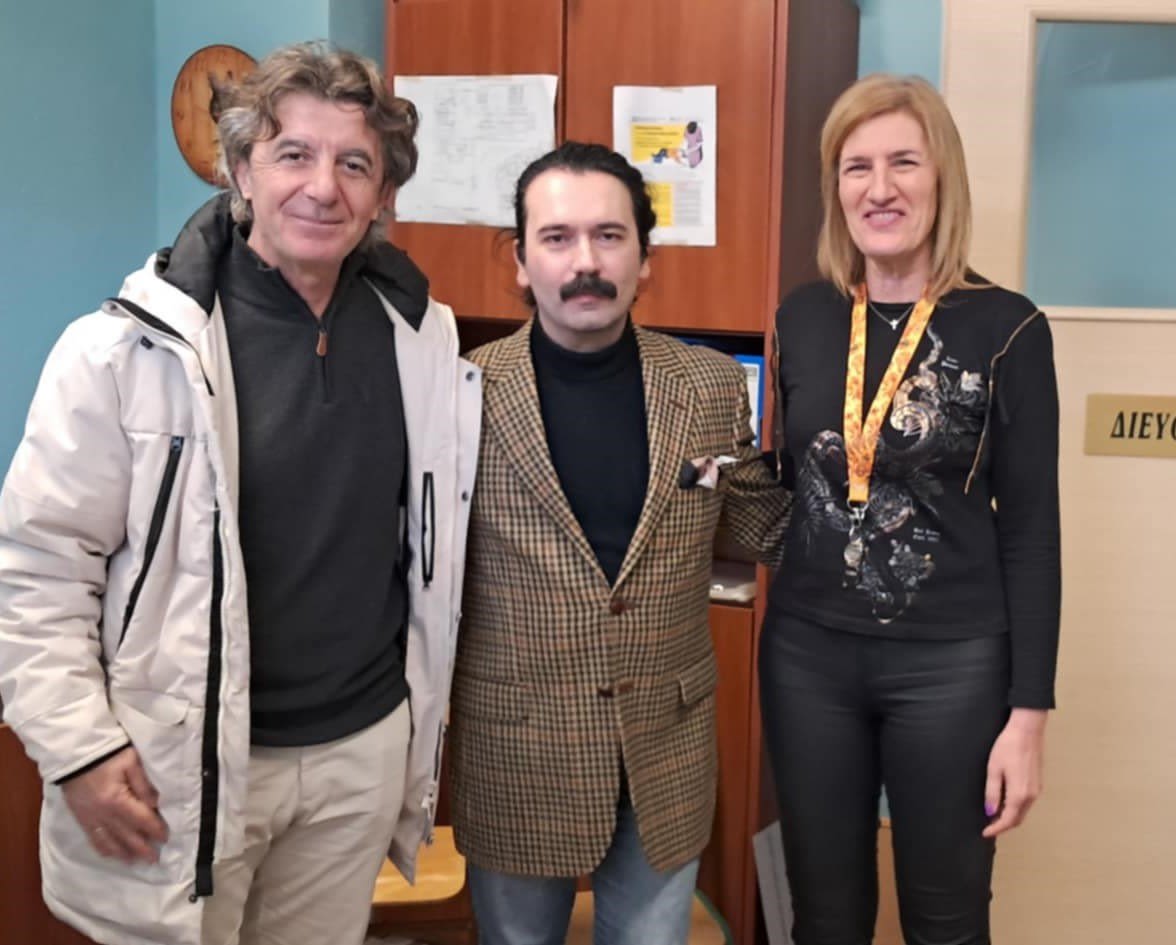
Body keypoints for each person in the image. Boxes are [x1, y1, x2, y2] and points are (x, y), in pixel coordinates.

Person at [0, 42, 480, 945]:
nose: (323, 188)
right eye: (293, 154)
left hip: (357, 754)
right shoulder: (126, 350)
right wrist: (79, 748)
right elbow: (37, 568)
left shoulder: (422, 338)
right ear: (241, 171)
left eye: (354, 164)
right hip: (185, 760)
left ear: (383, 194)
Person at [448, 141, 788, 945]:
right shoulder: (461, 391)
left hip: (665, 750)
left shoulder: (708, 386)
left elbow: (756, 524)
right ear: (521, 260)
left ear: (646, 256)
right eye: (557, 237)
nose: (586, 262)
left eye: (609, 235)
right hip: (517, 745)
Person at [760, 74, 1061, 945]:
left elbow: (1032, 533)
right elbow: (797, 482)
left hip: (952, 667)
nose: (879, 188)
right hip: (808, 658)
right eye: (856, 166)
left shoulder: (1008, 329)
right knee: (824, 919)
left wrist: (1029, 715)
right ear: (836, 187)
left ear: (942, 178)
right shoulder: (802, 316)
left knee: (947, 920)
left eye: (903, 162)